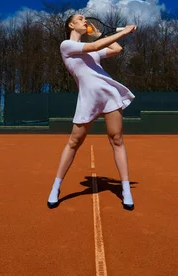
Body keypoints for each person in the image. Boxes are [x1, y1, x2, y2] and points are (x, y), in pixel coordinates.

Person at [47, 13, 137, 211]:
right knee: (74, 142)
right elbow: (96, 47)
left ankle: (125, 190)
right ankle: (56, 187)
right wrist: (125, 32)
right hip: (88, 99)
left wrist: (98, 36)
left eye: (84, 19)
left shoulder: (92, 50)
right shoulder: (66, 46)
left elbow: (116, 50)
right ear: (71, 24)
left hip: (109, 95)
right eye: (80, 18)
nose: (84, 20)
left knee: (117, 139)